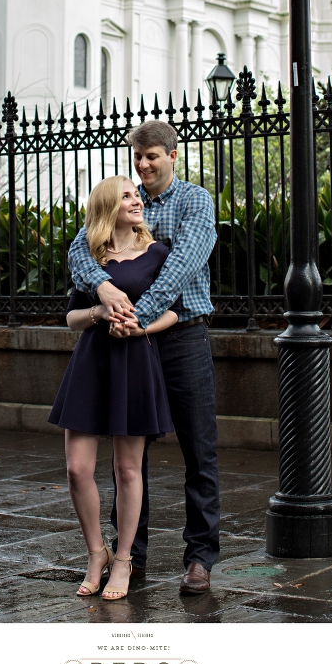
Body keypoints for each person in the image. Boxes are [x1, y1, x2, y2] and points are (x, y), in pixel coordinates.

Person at [68, 120, 219, 595]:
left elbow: (181, 265)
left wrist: (136, 317)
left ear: (173, 155)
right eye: (138, 157)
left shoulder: (194, 201)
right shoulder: (123, 200)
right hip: (123, 342)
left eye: (152, 156)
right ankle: (131, 555)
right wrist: (102, 287)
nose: (144, 165)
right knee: (128, 458)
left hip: (179, 337)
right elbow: (80, 248)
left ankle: (199, 558)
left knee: (200, 450)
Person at [49, 175, 179, 601]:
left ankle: (123, 560)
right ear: (108, 205)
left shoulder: (159, 253)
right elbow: (71, 319)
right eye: (126, 195)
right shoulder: (90, 257)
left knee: (128, 470)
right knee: (77, 469)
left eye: (137, 194)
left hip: (135, 362)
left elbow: (174, 314)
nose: (136, 200)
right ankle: (95, 552)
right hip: (91, 364)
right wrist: (99, 312)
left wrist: (140, 326)